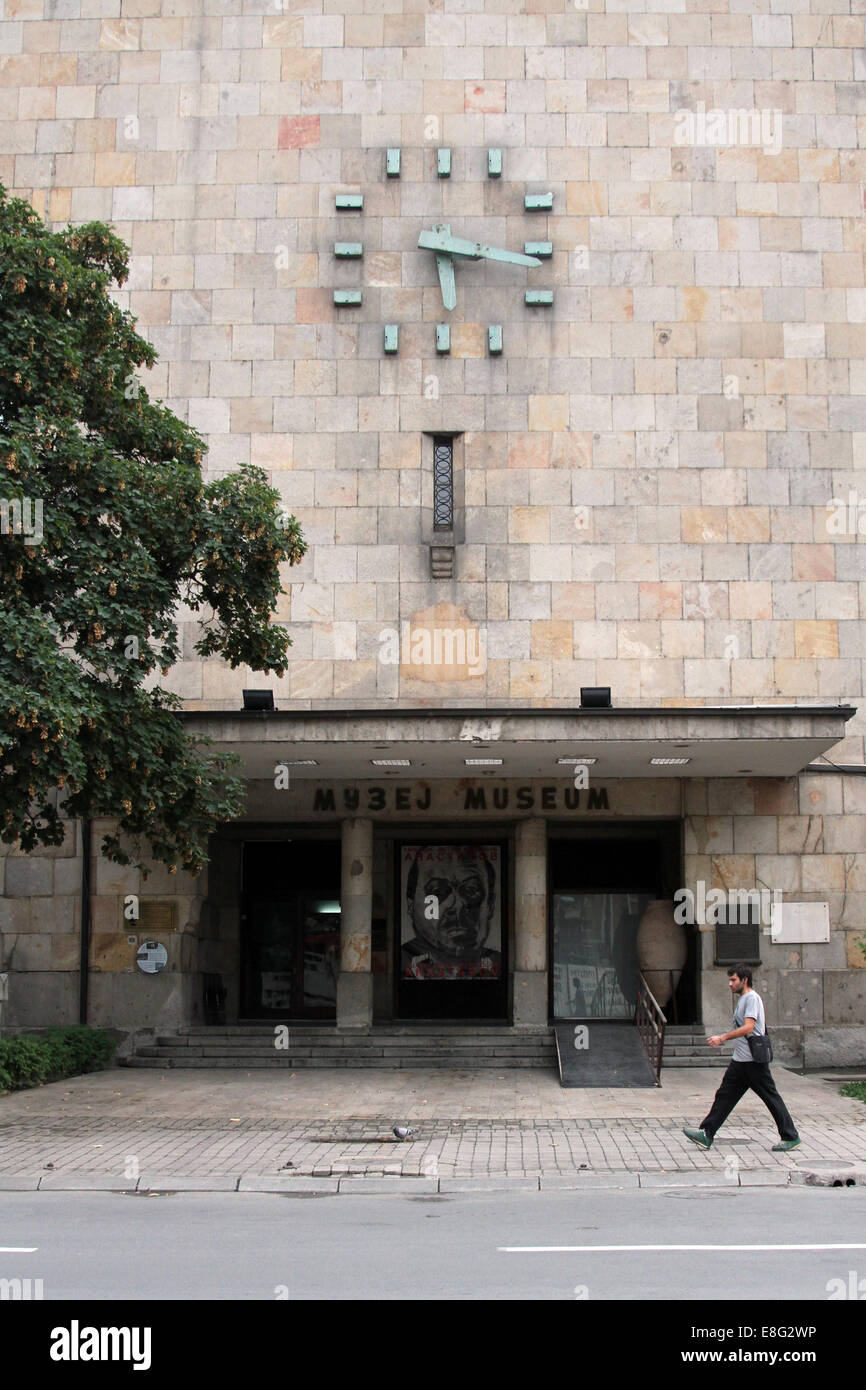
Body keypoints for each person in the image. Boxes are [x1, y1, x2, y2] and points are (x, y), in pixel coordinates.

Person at [683, 963, 801, 1152]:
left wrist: (722, 1037)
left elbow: (749, 1027)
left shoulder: (751, 998)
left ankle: (790, 1136)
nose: (730, 984)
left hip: (753, 1062)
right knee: (724, 1097)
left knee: (771, 1098)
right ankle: (706, 1133)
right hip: (741, 1061)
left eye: (733, 980)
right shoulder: (744, 999)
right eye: (729, 980)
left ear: (744, 980)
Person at [401, 848, 501, 979]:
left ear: (490, 904)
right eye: (437, 892)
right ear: (411, 905)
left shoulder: (497, 964)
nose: (457, 906)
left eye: (471, 890)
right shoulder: (401, 962)